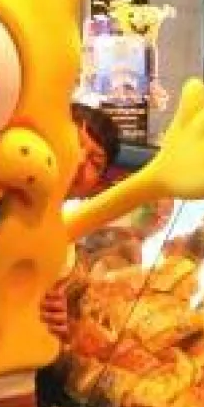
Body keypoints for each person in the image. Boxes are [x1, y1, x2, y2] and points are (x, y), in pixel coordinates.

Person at [39, 103, 121, 341]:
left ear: (96, 185)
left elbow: (64, 333)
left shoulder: (71, 260)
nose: (81, 161)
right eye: (76, 145)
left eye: (95, 162)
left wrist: (60, 324)